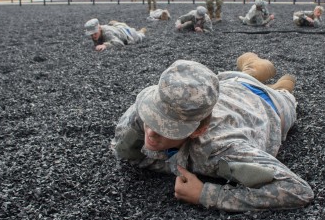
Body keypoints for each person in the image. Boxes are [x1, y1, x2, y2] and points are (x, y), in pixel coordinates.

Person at [111, 53, 314, 211]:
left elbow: (298, 190)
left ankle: (277, 86)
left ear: (199, 130)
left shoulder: (221, 146)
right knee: (244, 76)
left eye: (168, 127)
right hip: (229, 85)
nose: (152, 132)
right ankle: (252, 69)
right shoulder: (142, 112)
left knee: (286, 93)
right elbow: (125, 147)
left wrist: (207, 194)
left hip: (269, 106)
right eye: (153, 116)